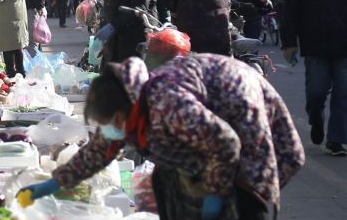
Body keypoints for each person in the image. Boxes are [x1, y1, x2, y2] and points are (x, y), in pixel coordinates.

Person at [18, 55, 305, 220]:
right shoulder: (128, 104)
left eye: (106, 125)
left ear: (120, 117)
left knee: (242, 205)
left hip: (243, 124)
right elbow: (99, 151)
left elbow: (226, 143)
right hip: (206, 142)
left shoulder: (167, 105)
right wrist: (53, 184)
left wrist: (215, 196)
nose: (105, 133)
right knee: (166, 181)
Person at [281, 0, 347, 156]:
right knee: (316, 93)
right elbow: (290, 11)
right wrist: (289, 43)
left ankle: (336, 139)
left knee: (343, 94)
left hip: (344, 48)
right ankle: (316, 120)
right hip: (315, 46)